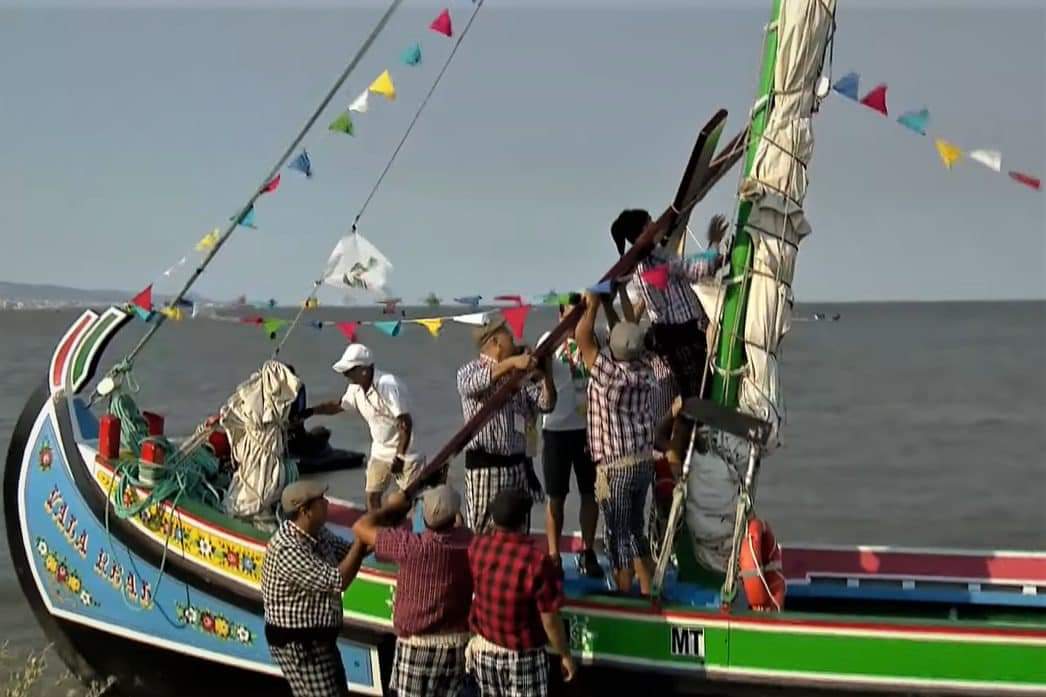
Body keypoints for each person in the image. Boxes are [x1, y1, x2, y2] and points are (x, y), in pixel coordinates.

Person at [611, 210, 725, 470]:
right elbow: (697, 269)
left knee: (692, 395)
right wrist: (715, 244)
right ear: (644, 231)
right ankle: (687, 453)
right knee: (699, 397)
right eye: (651, 223)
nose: (656, 225)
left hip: (669, 336)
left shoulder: (639, 266)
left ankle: (683, 450)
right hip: (683, 335)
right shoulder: (657, 260)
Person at [352, 486, 473, 697]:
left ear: (424, 518)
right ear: (455, 516)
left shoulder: (410, 546)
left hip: (417, 647)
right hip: (456, 645)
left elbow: (361, 527)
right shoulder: (467, 541)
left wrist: (392, 508)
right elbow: (460, 531)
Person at [576, 291, 658, 594]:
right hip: (642, 462)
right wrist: (610, 306)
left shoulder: (610, 375)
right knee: (636, 530)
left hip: (616, 468)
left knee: (617, 535)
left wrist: (593, 303)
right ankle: (648, 590)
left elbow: (582, 336)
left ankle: (623, 593)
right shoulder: (644, 368)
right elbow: (626, 336)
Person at [261, 480, 369, 697]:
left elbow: (347, 552)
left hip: (319, 640)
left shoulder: (316, 532)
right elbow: (338, 581)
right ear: (305, 511)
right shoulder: (287, 549)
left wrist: (377, 532)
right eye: (321, 500)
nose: (327, 503)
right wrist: (362, 539)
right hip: (301, 645)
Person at [466, 488, 577, 696]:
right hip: (522, 658)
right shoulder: (535, 561)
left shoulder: (478, 547)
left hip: (484, 652)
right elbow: (550, 620)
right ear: (524, 521)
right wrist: (565, 654)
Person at [456, 318, 556, 531]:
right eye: (509, 337)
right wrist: (512, 363)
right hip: (485, 468)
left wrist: (545, 375)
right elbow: (471, 385)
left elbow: (546, 404)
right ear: (496, 342)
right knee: (483, 530)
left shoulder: (520, 376)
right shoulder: (469, 370)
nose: (514, 341)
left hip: (517, 465)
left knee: (519, 530)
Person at [305, 344, 422, 511]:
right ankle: (377, 527)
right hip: (380, 450)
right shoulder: (355, 389)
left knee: (409, 499)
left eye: (349, 370)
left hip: (407, 451)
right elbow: (338, 406)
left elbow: (405, 422)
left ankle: (417, 525)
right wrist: (310, 411)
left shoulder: (388, 385)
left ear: (364, 370)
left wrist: (400, 456)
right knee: (372, 496)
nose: (345, 375)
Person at [538, 294, 603, 578]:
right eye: (572, 312)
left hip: (589, 429)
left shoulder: (594, 337)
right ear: (560, 313)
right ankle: (554, 555)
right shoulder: (548, 340)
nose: (577, 317)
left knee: (591, 493)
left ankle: (587, 551)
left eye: (581, 312)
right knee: (556, 497)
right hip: (556, 430)